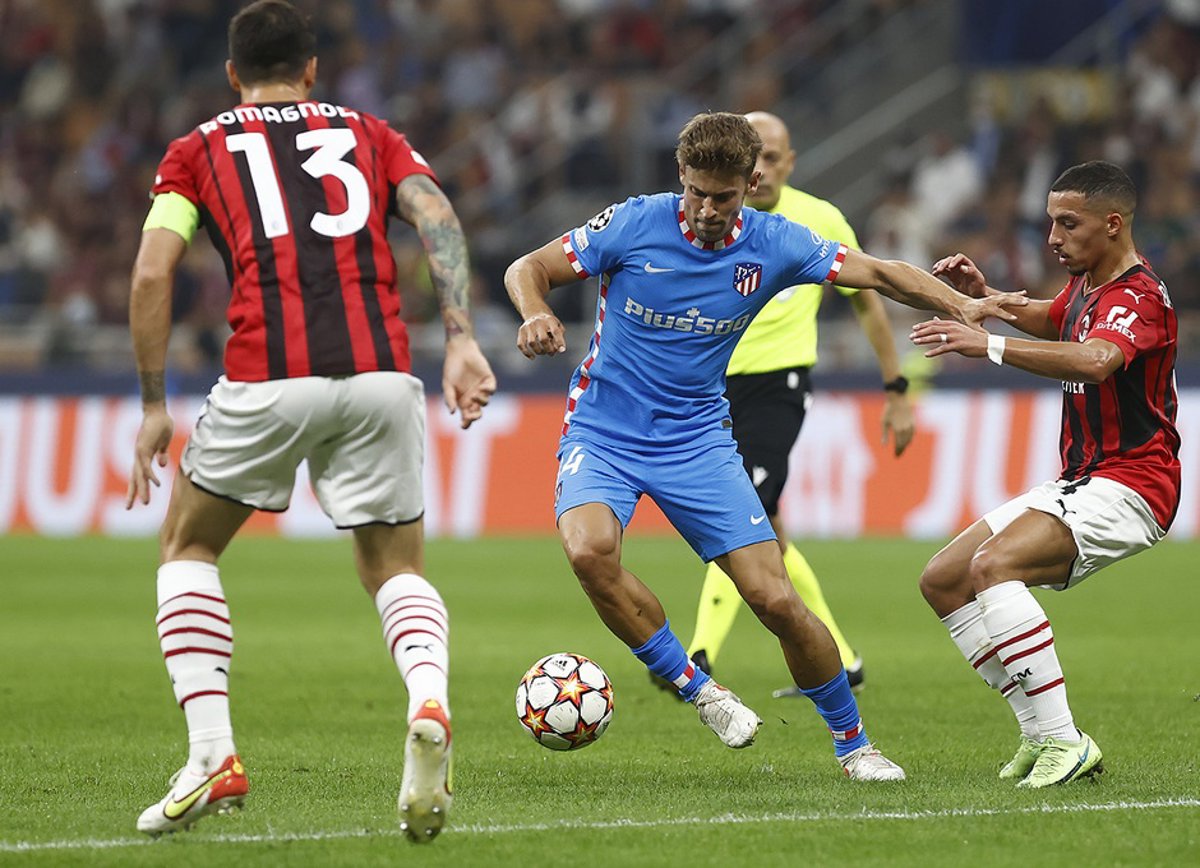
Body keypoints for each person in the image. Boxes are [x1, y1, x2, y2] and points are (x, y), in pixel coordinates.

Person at [504, 111, 1020, 780]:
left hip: (697, 440)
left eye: (723, 197)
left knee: (775, 600)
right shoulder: (632, 222)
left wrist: (959, 305)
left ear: (751, 184)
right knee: (588, 551)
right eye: (696, 192)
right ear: (681, 176)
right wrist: (536, 311)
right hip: (604, 430)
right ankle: (701, 691)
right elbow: (528, 267)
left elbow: (880, 274)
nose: (707, 210)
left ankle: (855, 745)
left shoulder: (777, 243)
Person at [125, 0, 496, 842]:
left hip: (268, 375)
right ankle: (428, 697)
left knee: (188, 546)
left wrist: (153, 403)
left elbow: (151, 274)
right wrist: (462, 339)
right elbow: (437, 215)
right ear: (313, 69)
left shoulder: (196, 149)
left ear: (233, 74)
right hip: (381, 373)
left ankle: (212, 753)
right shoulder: (370, 132)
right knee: (394, 566)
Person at [910, 160, 1179, 788]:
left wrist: (988, 345)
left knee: (994, 566)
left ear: (1113, 224)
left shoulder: (1138, 296)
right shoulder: (1086, 286)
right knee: (944, 580)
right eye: (1051, 222)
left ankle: (1063, 740)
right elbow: (1057, 319)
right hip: (1082, 477)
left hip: (1134, 483)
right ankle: (1040, 734)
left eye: (1068, 223)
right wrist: (991, 301)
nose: (1053, 237)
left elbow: (1095, 359)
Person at [679, 111, 915, 698]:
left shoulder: (819, 220)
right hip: (711, 390)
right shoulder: (708, 219)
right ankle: (845, 660)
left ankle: (698, 654)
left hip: (777, 385)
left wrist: (896, 387)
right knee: (770, 532)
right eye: (754, 156)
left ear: (789, 162)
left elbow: (867, 300)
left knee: (742, 511)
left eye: (773, 156)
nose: (762, 168)